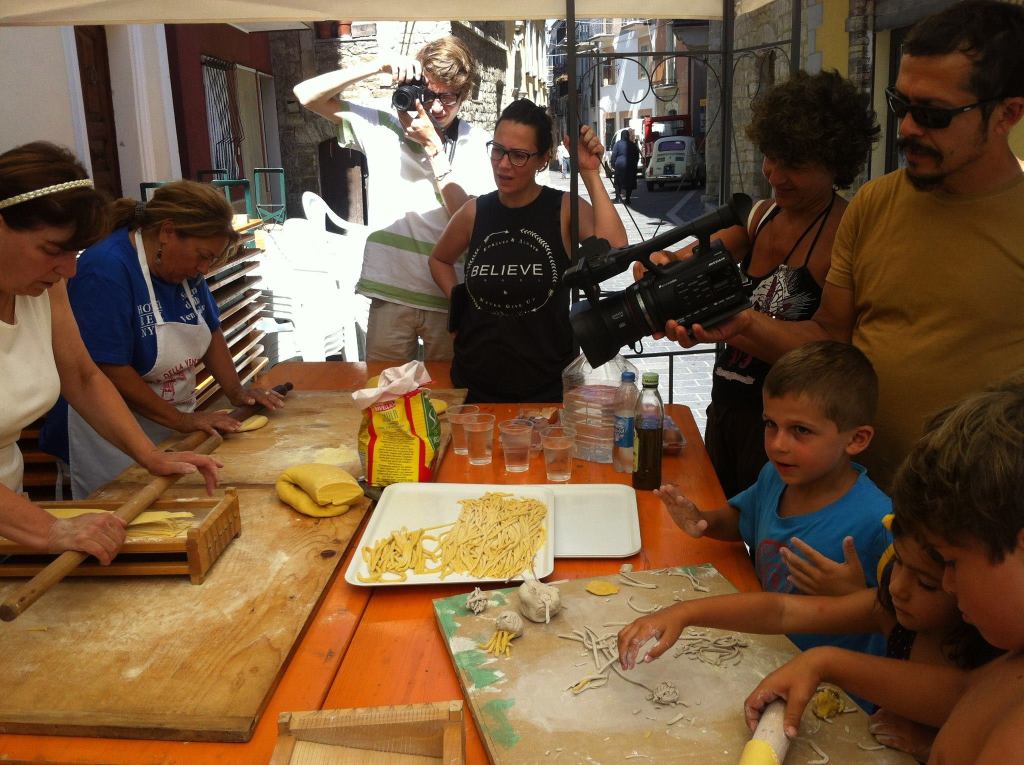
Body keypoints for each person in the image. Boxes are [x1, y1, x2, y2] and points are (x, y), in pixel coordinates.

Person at [668, 0, 1024, 490]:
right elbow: (834, 336)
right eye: (900, 105)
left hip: (975, 508)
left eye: (933, 114)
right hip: (849, 493)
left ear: (1008, 113)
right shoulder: (875, 205)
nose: (907, 128)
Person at [743, 379, 1024, 764]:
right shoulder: (1010, 665)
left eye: (953, 562)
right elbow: (959, 694)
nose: (949, 585)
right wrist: (824, 661)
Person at [639, 71, 878, 499]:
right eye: (771, 156)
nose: (775, 174)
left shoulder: (846, 232)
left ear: (836, 163)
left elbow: (833, 344)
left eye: (795, 165)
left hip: (791, 439)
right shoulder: (760, 217)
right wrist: (661, 268)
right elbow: (689, 261)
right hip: (726, 410)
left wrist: (742, 324)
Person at [617, 513, 1002, 762]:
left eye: (927, 583)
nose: (898, 587)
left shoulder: (989, 664)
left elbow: (957, 697)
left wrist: (929, 746)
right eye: (897, 562)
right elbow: (782, 611)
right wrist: (685, 612)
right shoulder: (891, 611)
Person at [0, 142, 220, 563]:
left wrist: (150, 456)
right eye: (52, 249)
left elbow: (82, 376)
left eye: (73, 252)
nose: (70, 269)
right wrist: (52, 529)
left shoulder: (46, 288)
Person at [40, 180, 283, 500]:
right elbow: (107, 367)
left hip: (170, 425)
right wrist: (181, 420)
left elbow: (210, 331)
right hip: (107, 436)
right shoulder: (105, 269)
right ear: (168, 232)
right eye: (202, 255)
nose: (204, 267)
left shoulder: (186, 272)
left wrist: (236, 391)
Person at [660, 341, 891, 657]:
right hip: (766, 652)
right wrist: (703, 519)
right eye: (771, 425)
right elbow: (743, 519)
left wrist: (855, 595)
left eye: (800, 430)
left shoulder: (880, 522)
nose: (778, 444)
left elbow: (904, 620)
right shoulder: (775, 476)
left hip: (837, 688)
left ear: (856, 439)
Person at [293, 36, 496, 363]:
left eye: (451, 97)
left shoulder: (478, 142)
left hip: (448, 296)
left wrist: (434, 149)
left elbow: (472, 219)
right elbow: (305, 95)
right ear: (415, 88)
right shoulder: (381, 123)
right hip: (390, 292)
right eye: (430, 95)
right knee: (385, 395)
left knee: (450, 395)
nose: (440, 108)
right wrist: (376, 65)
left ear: (465, 94)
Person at [428, 99, 627, 402]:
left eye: (519, 155)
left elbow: (615, 249)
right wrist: (459, 305)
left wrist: (589, 173)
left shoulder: (562, 210)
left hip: (543, 390)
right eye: (498, 150)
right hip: (473, 386)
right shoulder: (474, 211)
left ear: (543, 159)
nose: (504, 164)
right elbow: (440, 259)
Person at [610, 128, 640, 204]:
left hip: (619, 165)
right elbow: (637, 156)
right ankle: (627, 199)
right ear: (627, 136)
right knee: (629, 182)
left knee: (618, 182)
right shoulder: (633, 145)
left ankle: (618, 198)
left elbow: (614, 155)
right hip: (630, 166)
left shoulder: (617, 144)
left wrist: (613, 164)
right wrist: (634, 165)